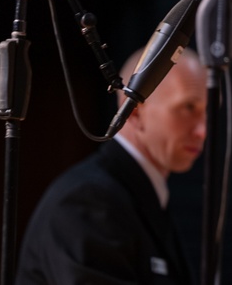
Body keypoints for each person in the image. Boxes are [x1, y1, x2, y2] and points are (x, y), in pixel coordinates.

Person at [15, 47, 207, 284]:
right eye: (188, 108)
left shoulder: (139, 196)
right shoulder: (87, 201)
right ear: (134, 111)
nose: (202, 131)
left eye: (206, 112)